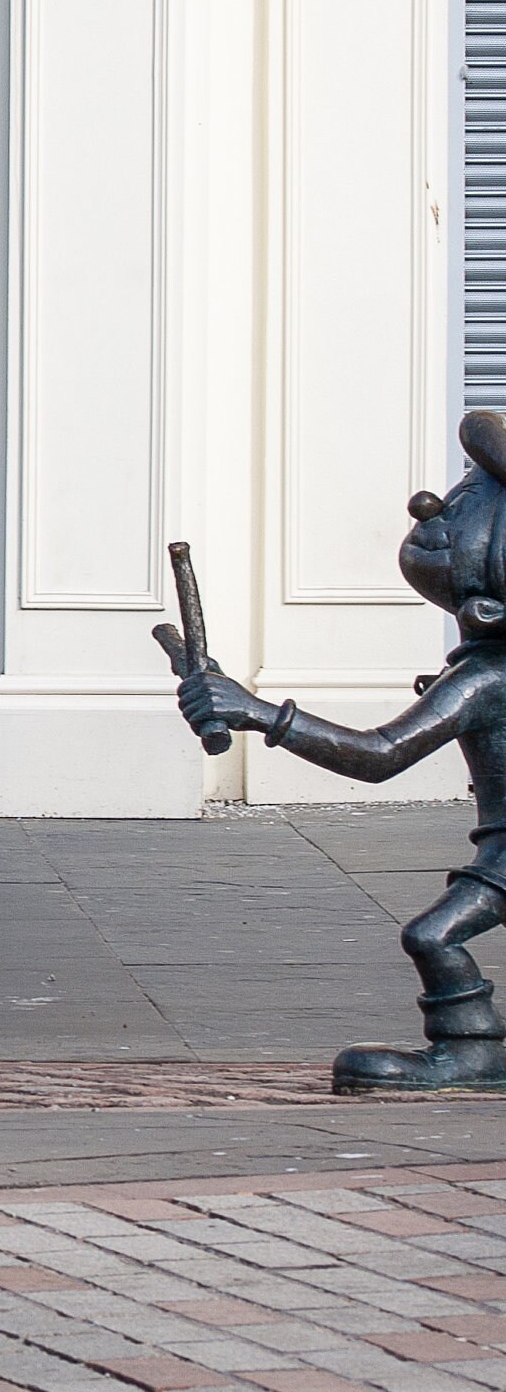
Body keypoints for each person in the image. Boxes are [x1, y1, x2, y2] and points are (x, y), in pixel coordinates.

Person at [170, 408, 506, 1091]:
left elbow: (380, 755)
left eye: (471, 498)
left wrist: (259, 713)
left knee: (432, 937)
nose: (431, 503)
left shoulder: (485, 677)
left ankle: (472, 1051)